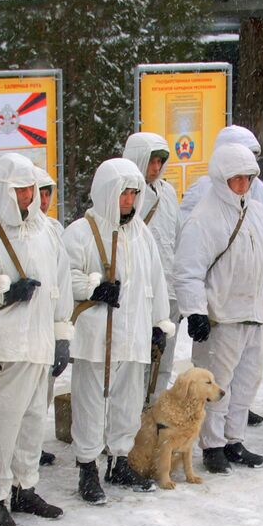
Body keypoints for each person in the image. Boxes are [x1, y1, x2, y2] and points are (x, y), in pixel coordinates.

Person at [0, 154, 70, 526]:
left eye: (31, 189)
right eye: (20, 190)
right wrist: (2, 292)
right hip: (0, 347)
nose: (27, 197)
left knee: (32, 421)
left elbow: (60, 285)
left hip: (38, 344)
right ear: (5, 189)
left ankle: (24, 487)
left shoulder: (47, 231)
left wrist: (61, 334)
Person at [63, 157, 174, 504]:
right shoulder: (81, 232)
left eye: (133, 194)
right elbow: (63, 277)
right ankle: (87, 466)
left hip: (134, 333)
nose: (128, 201)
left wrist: (158, 323)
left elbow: (155, 281)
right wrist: (94, 288)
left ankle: (119, 459)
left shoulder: (141, 234)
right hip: (97, 336)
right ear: (106, 192)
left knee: (128, 400)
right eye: (123, 194)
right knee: (91, 402)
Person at [173, 143, 263, 475]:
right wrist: (196, 311)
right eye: (236, 178)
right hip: (221, 317)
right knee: (216, 386)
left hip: (254, 313)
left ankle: (235, 439)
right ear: (221, 177)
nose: (242, 184)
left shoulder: (260, 214)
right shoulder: (203, 219)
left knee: (247, 382)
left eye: (248, 178)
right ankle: (212, 445)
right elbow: (188, 271)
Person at [123, 132, 181, 404]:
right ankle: (132, 415)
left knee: (164, 358)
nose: (156, 168)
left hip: (168, 287)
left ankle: (154, 411)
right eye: (150, 161)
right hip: (139, 290)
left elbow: (177, 237)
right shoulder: (126, 195)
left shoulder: (168, 192)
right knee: (137, 360)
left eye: (160, 162)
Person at [32, 163, 64, 468]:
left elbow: (62, 283)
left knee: (44, 392)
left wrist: (62, 335)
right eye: (39, 194)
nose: (44, 201)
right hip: (21, 329)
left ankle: (32, 445)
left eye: (47, 194)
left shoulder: (54, 230)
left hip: (47, 326)